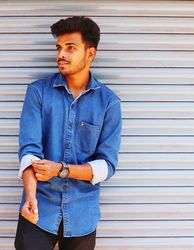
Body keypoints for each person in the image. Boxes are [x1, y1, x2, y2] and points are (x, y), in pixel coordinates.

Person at [14, 16, 122, 250]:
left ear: (90, 54)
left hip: (83, 214)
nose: (60, 54)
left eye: (70, 48)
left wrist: (61, 170)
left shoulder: (109, 103)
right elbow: (29, 151)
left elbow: (106, 166)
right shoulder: (38, 93)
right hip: (39, 210)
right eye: (59, 47)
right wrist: (30, 196)